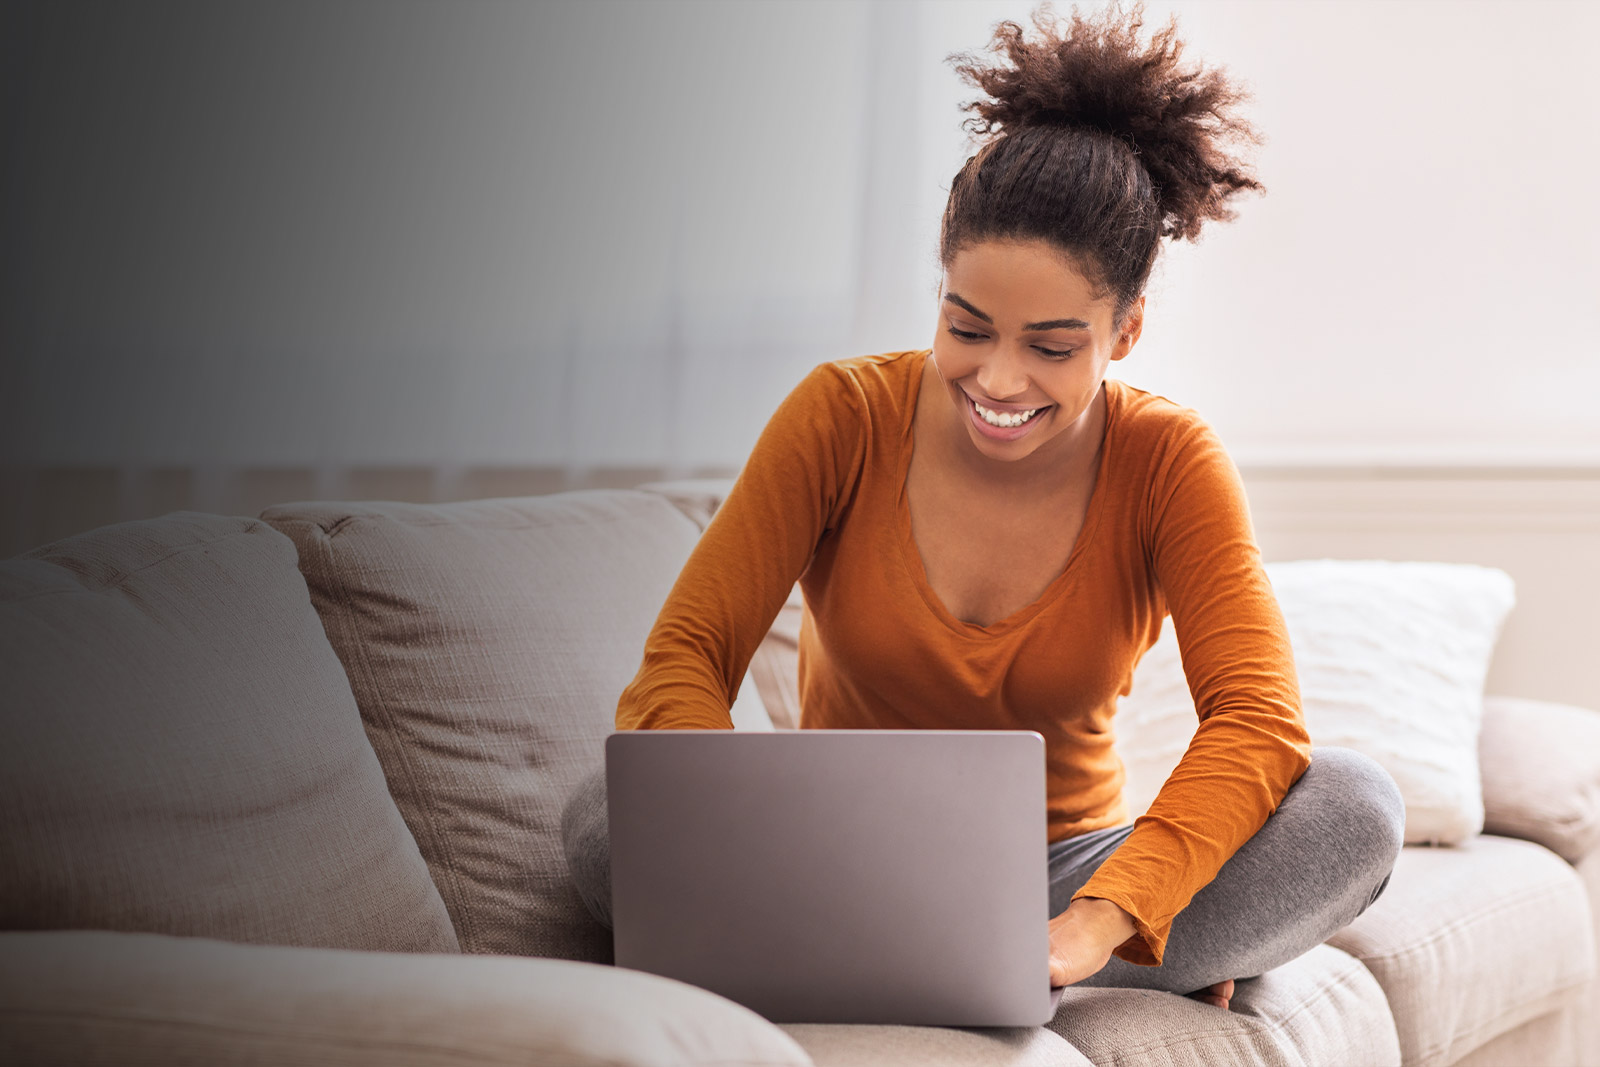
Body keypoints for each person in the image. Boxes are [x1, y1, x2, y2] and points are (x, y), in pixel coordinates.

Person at [562, 0, 1404, 1014]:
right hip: (830, 855)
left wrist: (1101, 915)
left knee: (1357, 807)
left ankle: (983, 960)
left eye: (1051, 346)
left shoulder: (1169, 459)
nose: (998, 380)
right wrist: (739, 827)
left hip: (1060, 884)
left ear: (1124, 330)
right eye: (966, 327)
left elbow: (1259, 723)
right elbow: (685, 658)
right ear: (941, 290)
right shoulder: (843, 414)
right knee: (606, 818)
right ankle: (935, 952)